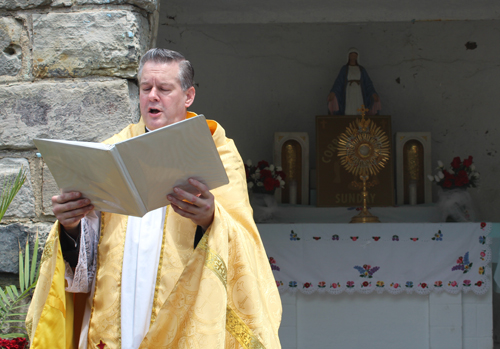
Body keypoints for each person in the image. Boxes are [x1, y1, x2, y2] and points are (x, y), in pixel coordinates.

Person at [26, 48, 282, 349]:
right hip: (113, 314)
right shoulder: (111, 151)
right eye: (146, 88)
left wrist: (210, 219)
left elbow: (243, 238)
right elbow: (87, 258)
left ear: (188, 96)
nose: (152, 96)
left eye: (164, 89)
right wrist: (70, 226)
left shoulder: (218, 151)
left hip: (182, 316)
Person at [327, 47, 381, 116]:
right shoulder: (344, 69)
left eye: (355, 55)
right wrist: (333, 92)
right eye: (351, 55)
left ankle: (361, 124)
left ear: (357, 57)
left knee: (359, 107)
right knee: (349, 107)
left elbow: (368, 83)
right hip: (348, 92)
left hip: (359, 93)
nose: (353, 57)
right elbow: (339, 82)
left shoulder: (361, 69)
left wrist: (373, 93)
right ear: (348, 56)